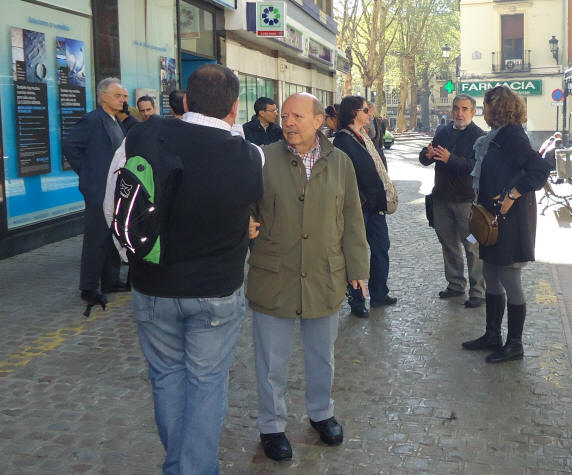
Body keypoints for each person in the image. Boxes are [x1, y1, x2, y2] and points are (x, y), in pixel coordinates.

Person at [103, 64, 264, 474]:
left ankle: (181, 467)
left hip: (153, 285)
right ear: (234, 108)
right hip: (217, 290)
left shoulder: (140, 135)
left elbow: (115, 208)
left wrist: (133, 259)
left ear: (186, 101)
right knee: (207, 383)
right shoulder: (250, 155)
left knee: (166, 378)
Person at [247, 93, 368, 461]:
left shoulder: (341, 162)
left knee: (322, 355)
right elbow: (242, 204)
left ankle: (321, 413)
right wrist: (244, 222)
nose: (289, 122)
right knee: (271, 361)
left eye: (297, 116)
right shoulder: (262, 158)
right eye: (284, 116)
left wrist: (358, 268)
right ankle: (271, 426)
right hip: (275, 275)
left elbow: (351, 218)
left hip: (323, 275)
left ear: (319, 121)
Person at [461, 85, 551, 363]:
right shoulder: (495, 137)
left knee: (510, 278)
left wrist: (513, 193)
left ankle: (514, 344)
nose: (482, 110)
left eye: (485, 105)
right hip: (492, 219)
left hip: (510, 221)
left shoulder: (512, 137)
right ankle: (492, 335)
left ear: (498, 108)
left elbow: (540, 169)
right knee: (490, 272)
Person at [61, 77, 135, 308]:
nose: (123, 99)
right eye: (118, 96)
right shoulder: (93, 120)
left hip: (113, 191)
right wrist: (86, 172)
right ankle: (89, 288)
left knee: (112, 236)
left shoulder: (115, 121)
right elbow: (69, 145)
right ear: (103, 96)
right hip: (98, 191)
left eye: (124, 96)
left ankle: (111, 280)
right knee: (96, 240)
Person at [333, 95, 397, 317]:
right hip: (358, 207)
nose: (369, 114)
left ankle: (379, 293)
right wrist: (361, 199)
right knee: (355, 253)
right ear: (354, 113)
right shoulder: (343, 140)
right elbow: (344, 176)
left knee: (381, 248)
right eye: (365, 111)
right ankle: (357, 300)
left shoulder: (364, 136)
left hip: (375, 206)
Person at [419, 94, 486, 307]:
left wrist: (451, 159)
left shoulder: (479, 137)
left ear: (473, 112)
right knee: (448, 244)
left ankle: (477, 291)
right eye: (456, 108)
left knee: (472, 246)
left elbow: (478, 167)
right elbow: (424, 157)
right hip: (441, 200)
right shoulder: (443, 132)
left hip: (467, 202)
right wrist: (427, 155)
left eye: (464, 109)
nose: (459, 113)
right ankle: (456, 284)